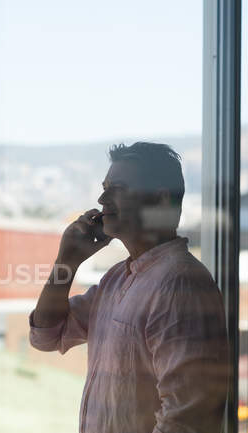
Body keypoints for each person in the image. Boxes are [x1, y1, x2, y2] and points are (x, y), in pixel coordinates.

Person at [30, 142, 229, 433]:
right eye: (104, 188)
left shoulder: (180, 284)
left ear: (160, 200)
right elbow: (46, 336)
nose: (102, 198)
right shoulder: (118, 279)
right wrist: (66, 263)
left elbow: (187, 419)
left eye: (118, 189)